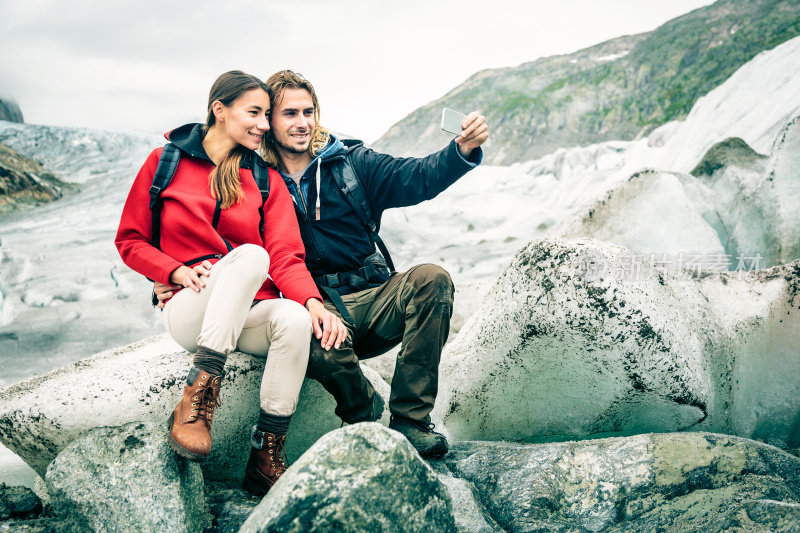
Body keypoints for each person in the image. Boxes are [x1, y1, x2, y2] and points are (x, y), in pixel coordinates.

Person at [157, 70, 488, 457]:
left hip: (376, 293)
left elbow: (415, 178)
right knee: (304, 332)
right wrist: (169, 273)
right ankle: (366, 419)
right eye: (289, 114)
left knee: (432, 278)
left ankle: (411, 421)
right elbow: (212, 235)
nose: (302, 123)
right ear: (268, 122)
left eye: (308, 112)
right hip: (315, 301)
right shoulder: (254, 179)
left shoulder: (351, 163)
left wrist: (460, 152)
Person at [115, 70, 346, 497]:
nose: (263, 124)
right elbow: (129, 240)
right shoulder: (165, 162)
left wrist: (312, 302)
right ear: (219, 110)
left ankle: (265, 453)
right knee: (252, 255)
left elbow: (285, 256)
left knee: (293, 318)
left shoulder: (264, 179)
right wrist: (173, 272)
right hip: (192, 309)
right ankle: (197, 397)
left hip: (248, 315)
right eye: (254, 113)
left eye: (265, 115)